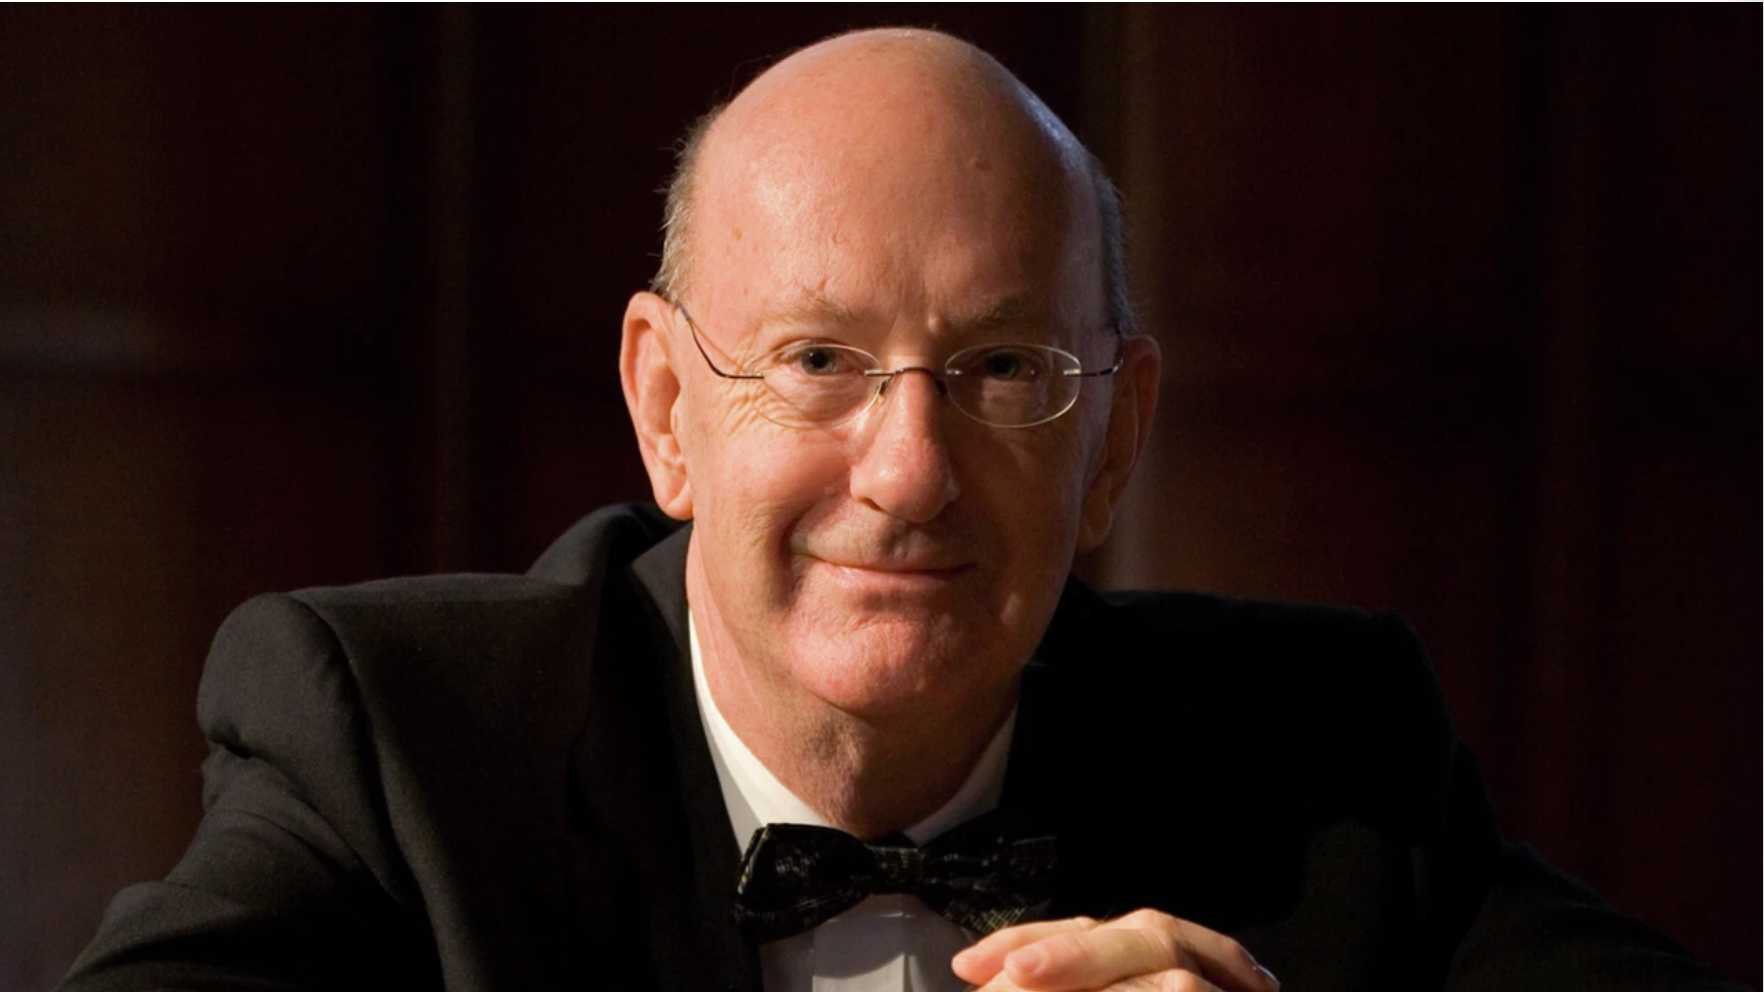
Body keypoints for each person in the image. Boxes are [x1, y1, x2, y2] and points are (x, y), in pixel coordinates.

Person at [61, 28, 1743, 992]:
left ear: (1117, 436)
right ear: (667, 409)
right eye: (818, 360)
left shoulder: (1327, 764)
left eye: (1005, 368)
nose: (911, 470)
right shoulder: (395, 752)